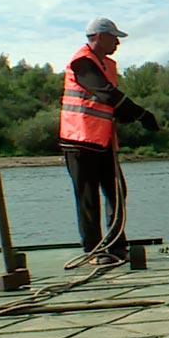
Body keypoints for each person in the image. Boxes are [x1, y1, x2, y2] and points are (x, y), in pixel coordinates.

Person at [59, 17, 159, 265]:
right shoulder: (82, 62)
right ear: (97, 36)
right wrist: (140, 113)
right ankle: (92, 250)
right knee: (87, 197)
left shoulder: (107, 64)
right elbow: (104, 92)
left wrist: (131, 115)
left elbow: (108, 102)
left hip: (102, 141)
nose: (117, 42)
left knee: (117, 191)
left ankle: (116, 246)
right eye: (113, 37)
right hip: (79, 139)